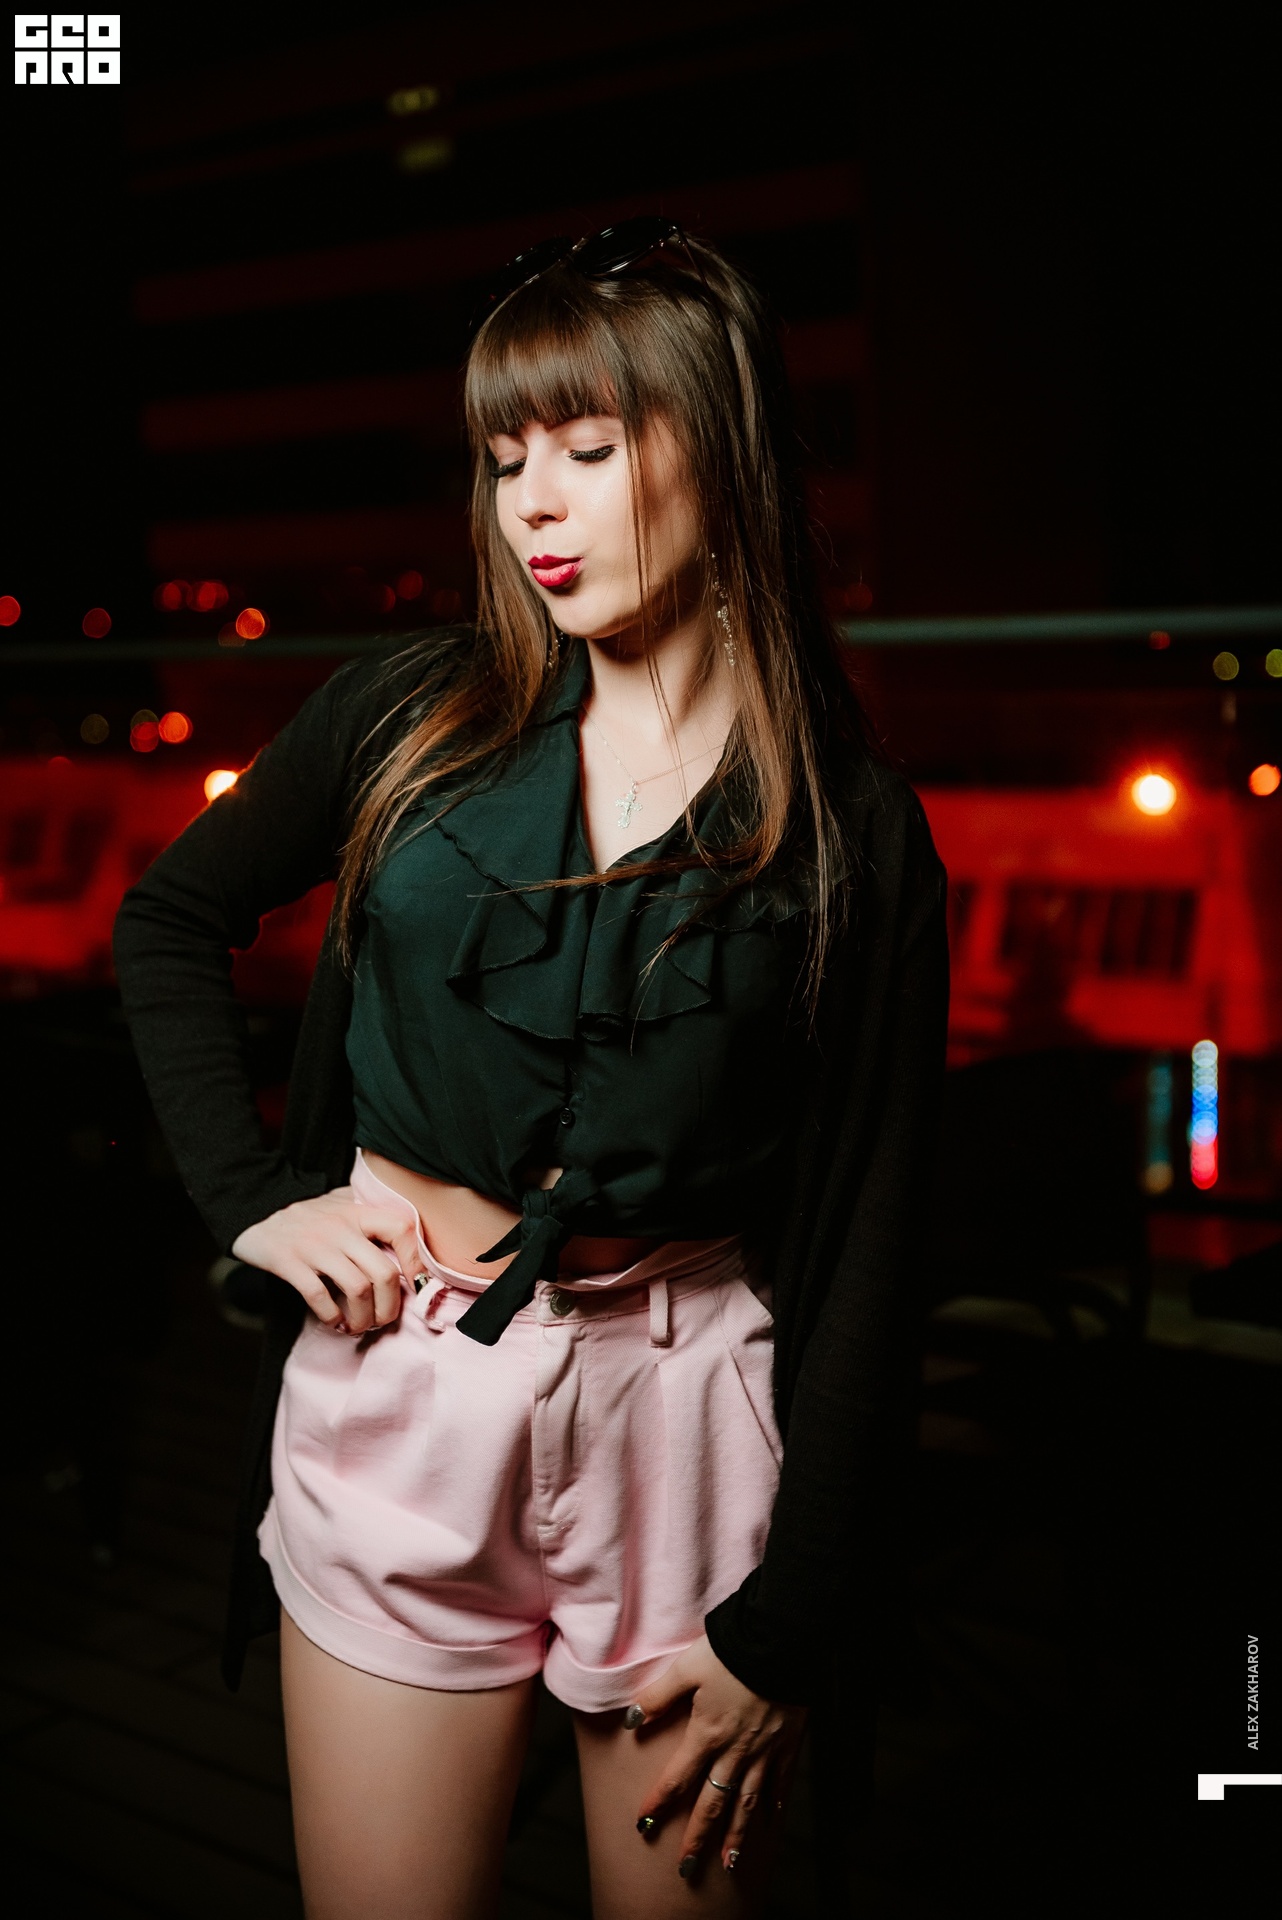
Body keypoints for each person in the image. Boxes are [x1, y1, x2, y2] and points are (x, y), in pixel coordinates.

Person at [114, 219, 949, 1920]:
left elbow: (879, 1229)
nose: (531, 508)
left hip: (686, 1416)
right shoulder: (409, 714)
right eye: (505, 461)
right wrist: (254, 1198)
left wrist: (790, 1621)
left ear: (719, 450)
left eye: (586, 448)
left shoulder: (851, 824)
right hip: (400, 1387)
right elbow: (171, 916)